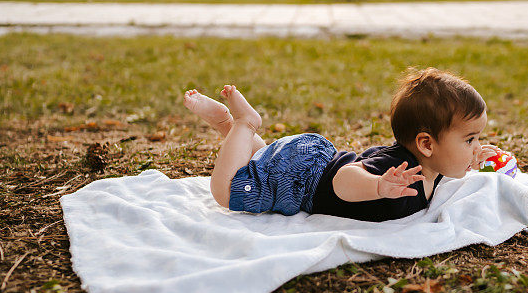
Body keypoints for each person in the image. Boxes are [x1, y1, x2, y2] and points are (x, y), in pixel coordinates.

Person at [183, 67, 501, 222]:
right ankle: (243, 124)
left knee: (261, 157)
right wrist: (377, 186)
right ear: (426, 145)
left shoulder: (435, 167)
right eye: (470, 139)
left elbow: (456, 163)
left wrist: (475, 157)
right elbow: (344, 179)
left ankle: (228, 123)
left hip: (310, 157)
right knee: (226, 192)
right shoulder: (399, 169)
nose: (476, 146)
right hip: (303, 180)